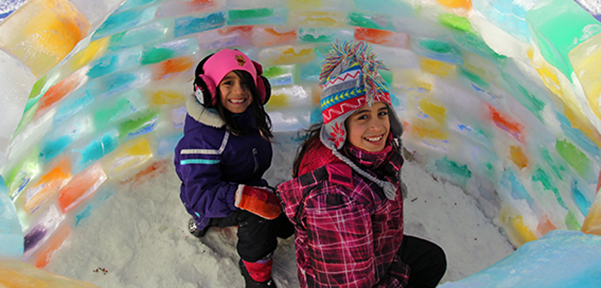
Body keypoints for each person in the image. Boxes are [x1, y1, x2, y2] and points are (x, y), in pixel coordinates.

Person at [277, 41, 447, 288]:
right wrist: (399, 277)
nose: (377, 126)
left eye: (381, 112)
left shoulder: (349, 147)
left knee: (432, 259)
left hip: (376, 250)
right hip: (352, 276)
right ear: (340, 123)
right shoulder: (334, 199)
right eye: (363, 116)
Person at [174, 48, 292, 288]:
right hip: (209, 201)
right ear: (208, 90)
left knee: (277, 202)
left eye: (246, 83)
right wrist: (245, 198)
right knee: (258, 216)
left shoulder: (247, 117)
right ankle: (256, 274)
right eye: (228, 82)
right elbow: (200, 195)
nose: (239, 91)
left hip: (242, 185)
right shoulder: (201, 139)